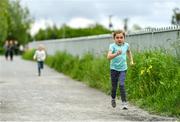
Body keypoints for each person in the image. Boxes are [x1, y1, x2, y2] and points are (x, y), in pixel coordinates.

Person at [107, 30, 134, 110]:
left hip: (123, 68)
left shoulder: (126, 45)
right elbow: (108, 57)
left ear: (124, 38)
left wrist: (131, 60)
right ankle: (113, 98)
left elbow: (129, 52)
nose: (119, 39)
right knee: (114, 86)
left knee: (121, 84)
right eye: (117, 37)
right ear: (114, 38)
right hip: (114, 69)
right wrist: (116, 54)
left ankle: (124, 103)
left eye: (121, 37)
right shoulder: (112, 46)